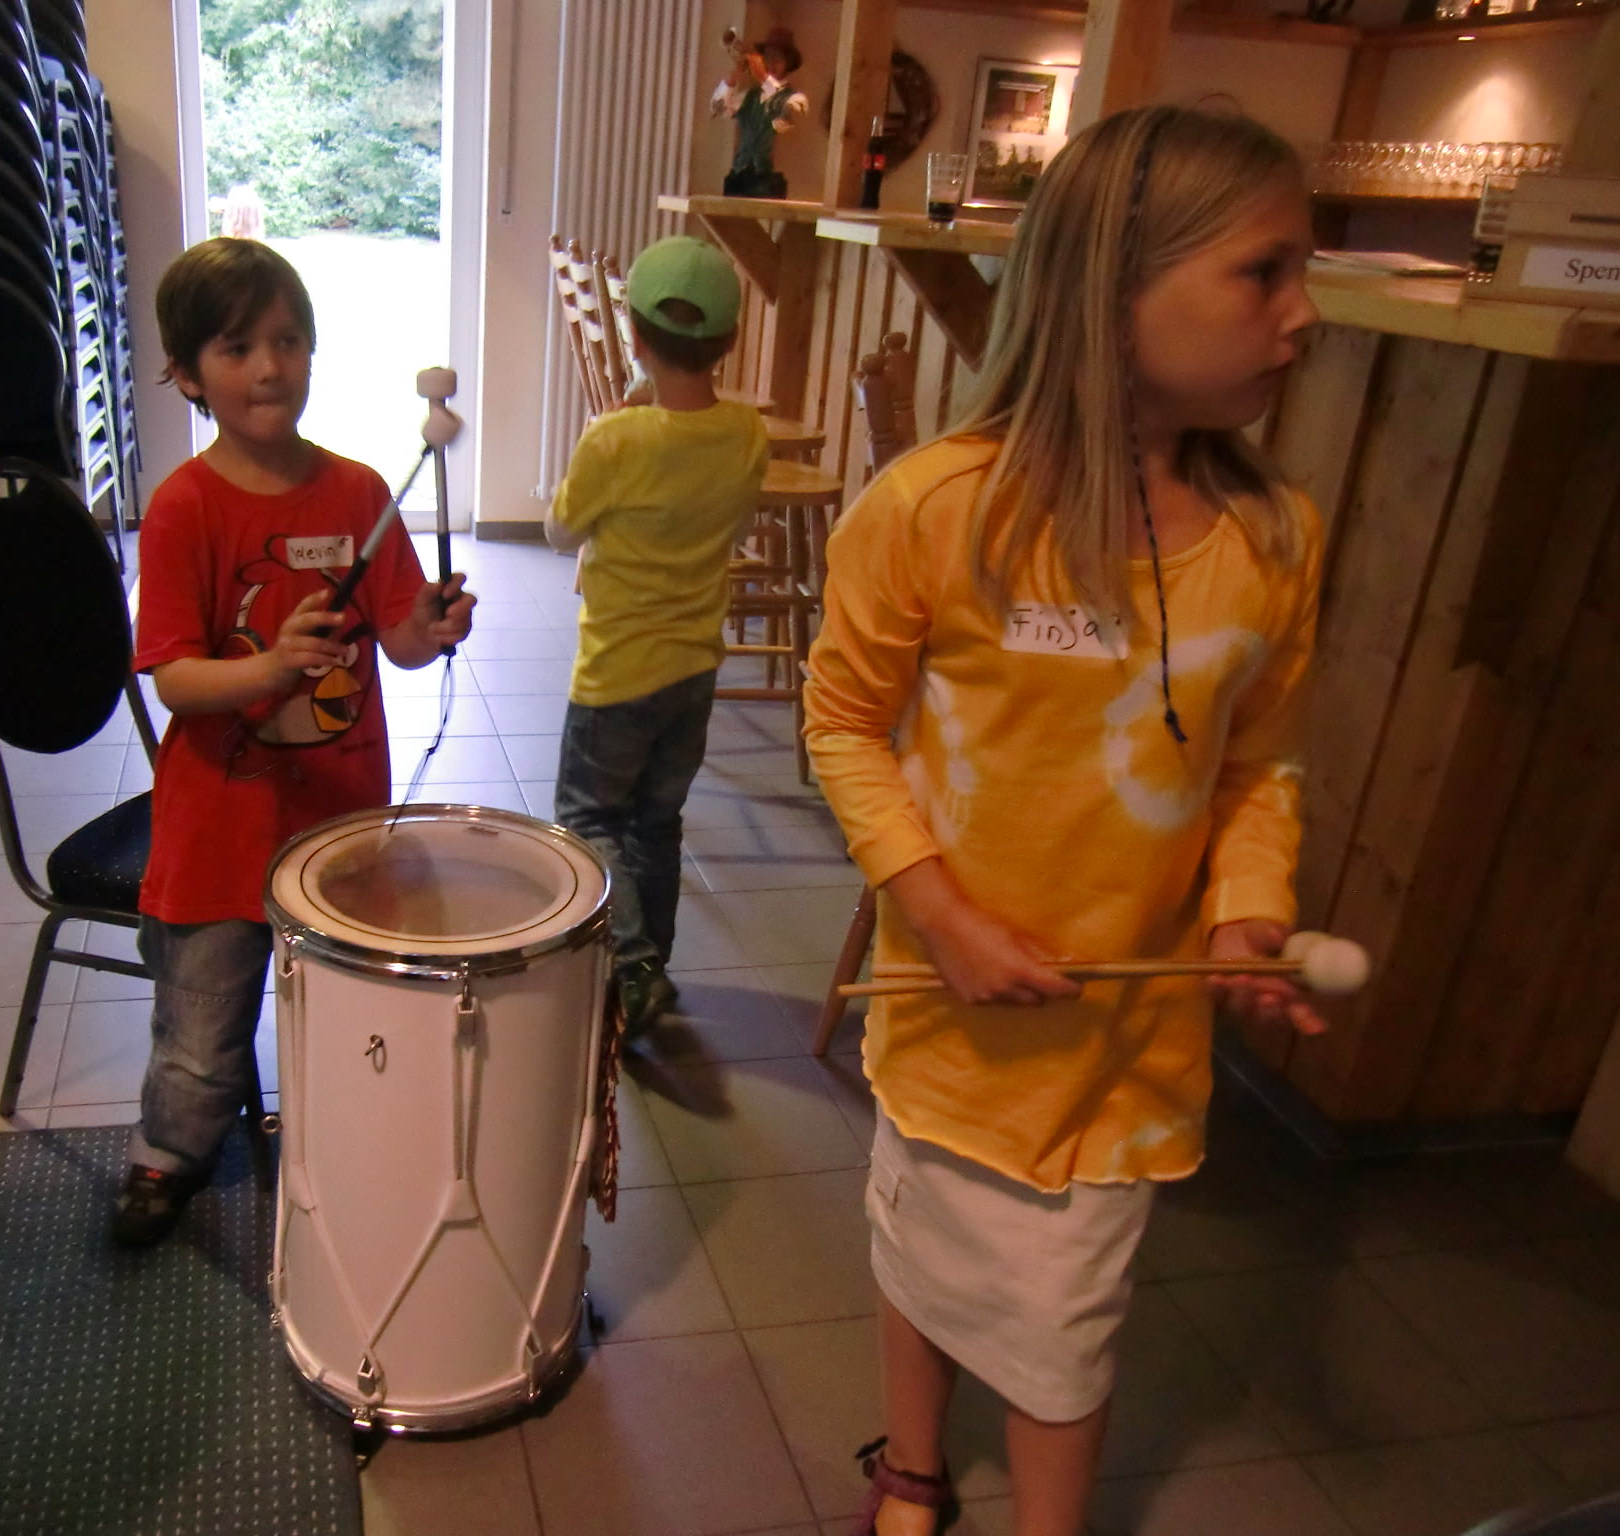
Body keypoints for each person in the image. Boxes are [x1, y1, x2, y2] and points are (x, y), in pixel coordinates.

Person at [802, 105, 1327, 1536]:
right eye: (1263, 272)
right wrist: (940, 916)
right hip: (949, 1010)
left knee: (1062, 1329)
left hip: (1116, 1052)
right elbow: (842, 725)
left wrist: (1248, 914)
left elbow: (1258, 766)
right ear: (1116, 284)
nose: (1302, 312)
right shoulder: (936, 510)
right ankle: (913, 1466)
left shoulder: (1274, 539)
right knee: (916, 1247)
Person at [113, 237, 476, 1247]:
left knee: (347, 1016)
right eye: (237, 349)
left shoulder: (359, 492)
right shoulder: (184, 508)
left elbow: (400, 644)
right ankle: (169, 1152)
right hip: (219, 831)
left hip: (339, 821)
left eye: (287, 341)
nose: (269, 368)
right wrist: (272, 668)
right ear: (188, 374)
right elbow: (176, 678)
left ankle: (341, 1141)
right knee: (201, 1029)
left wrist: (431, 624)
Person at [545, 235, 768, 1036]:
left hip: (616, 673)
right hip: (694, 670)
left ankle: (633, 966)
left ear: (634, 337)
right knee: (655, 821)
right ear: (729, 341)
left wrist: (611, 433)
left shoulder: (614, 439)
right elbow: (734, 522)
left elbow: (560, 532)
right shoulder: (747, 434)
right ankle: (655, 965)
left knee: (589, 817)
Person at [711, 26, 808, 199]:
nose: (771, 63)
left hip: (769, 181)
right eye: (767, 57)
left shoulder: (795, 98)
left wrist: (764, 77)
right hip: (739, 176)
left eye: (777, 58)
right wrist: (733, 77)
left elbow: (785, 118)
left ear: (788, 63)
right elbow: (717, 108)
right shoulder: (750, 96)